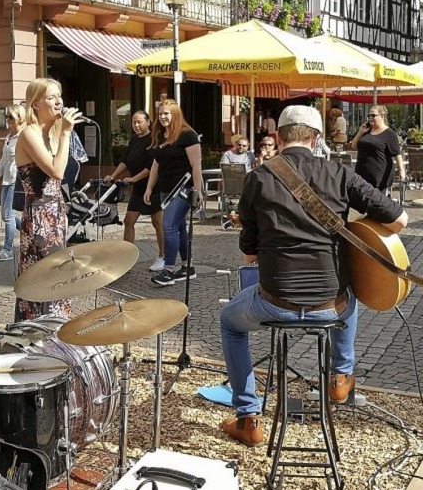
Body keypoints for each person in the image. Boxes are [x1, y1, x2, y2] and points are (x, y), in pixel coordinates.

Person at [219, 105, 407, 447]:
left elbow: (249, 254)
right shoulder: (339, 173)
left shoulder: (258, 177)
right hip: (330, 306)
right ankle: (340, 375)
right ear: (316, 137)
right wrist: (360, 233)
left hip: (274, 304)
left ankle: (248, 417)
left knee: (230, 322)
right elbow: (399, 220)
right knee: (349, 295)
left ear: (278, 137)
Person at [14, 78, 82, 321]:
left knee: (59, 275)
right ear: (35, 104)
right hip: (39, 216)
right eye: (51, 97)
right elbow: (57, 171)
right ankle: (36, 332)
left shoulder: (52, 133)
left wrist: (62, 134)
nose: (59, 102)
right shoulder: (29, 134)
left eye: (59, 96)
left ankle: (57, 329)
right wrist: (65, 133)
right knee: (43, 277)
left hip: (56, 213)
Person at [145, 99, 203, 287]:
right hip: (165, 190)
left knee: (168, 226)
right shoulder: (161, 135)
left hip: (183, 189)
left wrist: (198, 190)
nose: (162, 117)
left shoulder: (188, 135)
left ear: (175, 114)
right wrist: (149, 187)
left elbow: (196, 165)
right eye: (160, 113)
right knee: (179, 228)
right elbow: (156, 163)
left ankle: (168, 270)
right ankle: (188, 267)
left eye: (166, 113)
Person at [105, 110, 165, 272]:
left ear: (148, 122)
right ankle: (127, 258)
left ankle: (162, 256)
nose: (137, 125)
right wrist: (114, 175)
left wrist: (134, 178)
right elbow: (126, 161)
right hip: (138, 189)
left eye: (140, 122)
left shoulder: (153, 139)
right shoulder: (133, 140)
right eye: (134, 122)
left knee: (157, 223)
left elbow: (152, 166)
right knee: (129, 221)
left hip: (152, 187)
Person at [0, 104, 26, 261]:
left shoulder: (24, 137)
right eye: (6, 116)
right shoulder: (9, 137)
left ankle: (7, 250)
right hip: (7, 180)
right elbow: (3, 159)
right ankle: (30, 231)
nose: (7, 119)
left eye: (10, 117)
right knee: (5, 215)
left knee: (8, 216)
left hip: (17, 180)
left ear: (20, 118)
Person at [351, 105, 406, 192]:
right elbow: (354, 146)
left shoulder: (389, 134)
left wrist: (401, 171)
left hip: (378, 177)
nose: (370, 118)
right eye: (369, 116)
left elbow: (397, 154)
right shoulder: (366, 130)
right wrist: (360, 132)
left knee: (375, 203)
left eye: (373, 115)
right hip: (362, 175)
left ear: (382, 116)